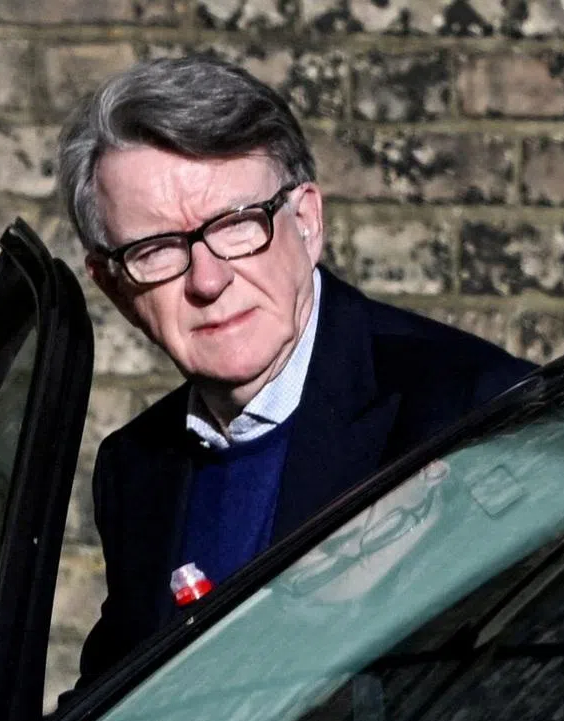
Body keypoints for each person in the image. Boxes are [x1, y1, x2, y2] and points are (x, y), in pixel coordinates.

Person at [58, 55, 533, 684]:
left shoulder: (474, 410)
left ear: (306, 222)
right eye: (157, 250)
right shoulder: (135, 468)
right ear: (115, 286)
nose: (208, 279)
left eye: (235, 226)